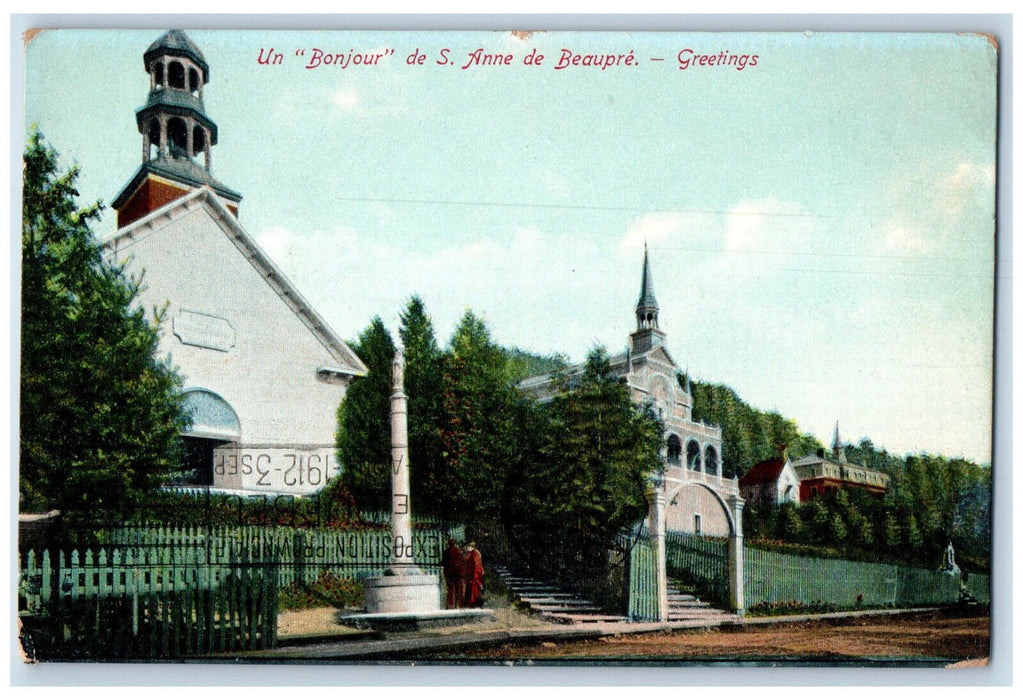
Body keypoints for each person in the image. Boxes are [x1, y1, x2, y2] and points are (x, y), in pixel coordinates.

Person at [441, 538, 463, 609]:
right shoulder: (459, 551)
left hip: (449, 573)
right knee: (458, 589)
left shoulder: (446, 552)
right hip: (458, 573)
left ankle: (451, 605)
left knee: (450, 589)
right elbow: (462, 562)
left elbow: (443, 563)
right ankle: (458, 605)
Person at [462, 541, 484, 608]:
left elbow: (476, 565)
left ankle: (474, 602)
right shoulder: (472, 553)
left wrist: (475, 575)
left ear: (472, 547)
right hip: (471, 574)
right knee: (472, 589)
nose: (467, 548)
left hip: (474, 575)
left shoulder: (475, 554)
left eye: (469, 547)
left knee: (475, 590)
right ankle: (472, 602)